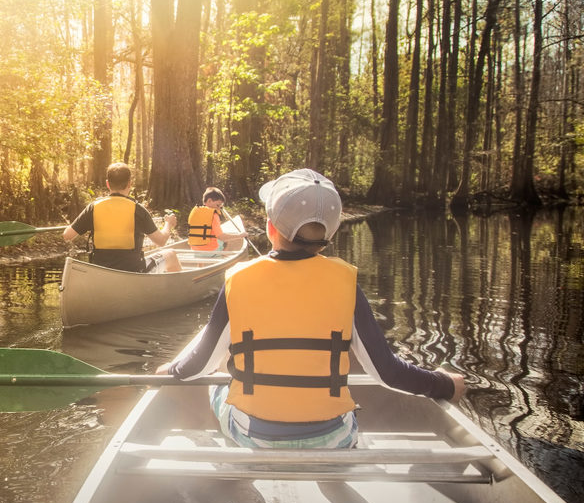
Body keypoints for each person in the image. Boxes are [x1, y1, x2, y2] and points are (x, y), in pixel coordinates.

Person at [157, 168, 465, 448]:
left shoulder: (238, 280)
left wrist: (171, 370)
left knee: (219, 379)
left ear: (269, 228)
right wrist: (444, 383)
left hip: (254, 435)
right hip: (333, 437)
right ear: (328, 236)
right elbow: (388, 372)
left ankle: (237, 484)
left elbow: (199, 365)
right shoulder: (346, 283)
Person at [64, 163, 181, 273]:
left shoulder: (93, 208)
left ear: (107, 184)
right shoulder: (138, 210)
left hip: (101, 272)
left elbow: (67, 235)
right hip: (133, 272)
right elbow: (161, 241)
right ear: (130, 184)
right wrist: (168, 224)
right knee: (171, 254)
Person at [187, 187, 247, 251]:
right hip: (210, 252)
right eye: (218, 205)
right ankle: (221, 256)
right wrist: (240, 236)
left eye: (221, 206)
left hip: (195, 251)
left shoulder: (195, 212)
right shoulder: (213, 215)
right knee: (229, 241)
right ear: (209, 201)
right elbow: (221, 237)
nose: (219, 208)